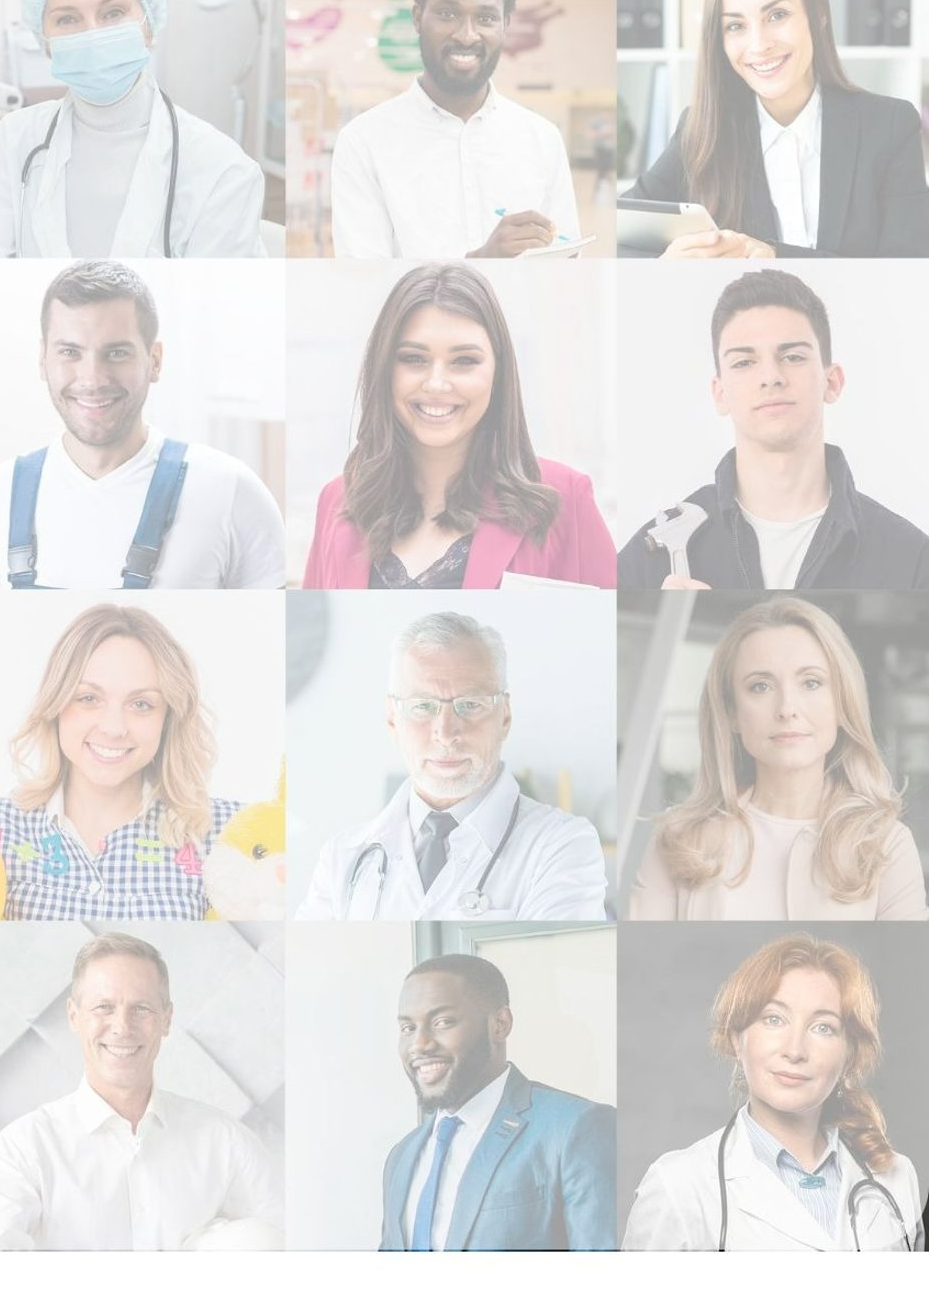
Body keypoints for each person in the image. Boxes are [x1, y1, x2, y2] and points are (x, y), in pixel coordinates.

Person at [0, 260, 285, 589]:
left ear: (154, 361)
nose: (93, 379)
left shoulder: (231, 491)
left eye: (116, 353)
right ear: (43, 360)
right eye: (70, 352)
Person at [302, 263, 616, 588]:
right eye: (413, 359)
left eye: (464, 361)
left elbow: (606, 630)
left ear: (499, 372)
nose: (436, 384)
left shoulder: (564, 497)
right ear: (384, 369)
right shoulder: (337, 500)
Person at [0, 0, 264, 258]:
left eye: (113, 12)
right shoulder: (14, 140)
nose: (92, 33)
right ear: (44, 41)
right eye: (67, 19)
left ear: (148, 24)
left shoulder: (222, 169)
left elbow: (218, 303)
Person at [0, 933, 280, 1249]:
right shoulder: (27, 1147)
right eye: (103, 1007)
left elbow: (288, 1241)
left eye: (141, 1008)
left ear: (167, 1019)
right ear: (75, 1017)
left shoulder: (224, 1141)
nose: (122, 1027)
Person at [618, 270, 929, 588]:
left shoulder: (912, 562)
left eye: (793, 357)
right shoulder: (650, 557)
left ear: (832, 382)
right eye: (743, 363)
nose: (771, 376)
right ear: (720, 393)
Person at [626, 0, 929, 259]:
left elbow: (909, 275)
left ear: (818, 16)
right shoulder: (701, 130)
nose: (759, 44)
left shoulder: (889, 125)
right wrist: (665, 264)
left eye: (777, 16)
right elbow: (620, 235)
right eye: (736, 26)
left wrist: (775, 257)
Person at [297, 611, 608, 920]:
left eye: (470, 705)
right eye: (423, 706)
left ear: (505, 716)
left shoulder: (563, 845)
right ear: (393, 718)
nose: (446, 734)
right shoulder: (341, 856)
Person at [629, 597, 925, 920]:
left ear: (842, 702)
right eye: (760, 686)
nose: (787, 708)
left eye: (810, 683)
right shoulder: (678, 840)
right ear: (731, 712)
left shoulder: (888, 845)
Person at [624, 934, 924, 1250]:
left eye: (823, 1027)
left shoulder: (897, 1177)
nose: (795, 1050)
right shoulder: (678, 1187)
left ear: (849, 1054)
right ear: (738, 1039)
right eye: (774, 1019)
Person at [0, 604, 237, 921]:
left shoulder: (229, 836)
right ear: (56, 704)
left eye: (141, 704)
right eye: (89, 699)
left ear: (167, 718)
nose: (113, 728)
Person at [329, 0, 579, 259]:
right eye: (448, 14)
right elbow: (363, 282)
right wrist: (480, 264)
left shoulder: (542, 139)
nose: (466, 34)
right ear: (418, 17)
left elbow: (566, 255)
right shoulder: (364, 141)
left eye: (486, 18)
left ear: (505, 25)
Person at [383, 954, 614, 1251]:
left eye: (442, 1022)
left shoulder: (577, 1128)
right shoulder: (401, 1157)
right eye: (407, 1028)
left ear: (500, 1024)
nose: (419, 1044)